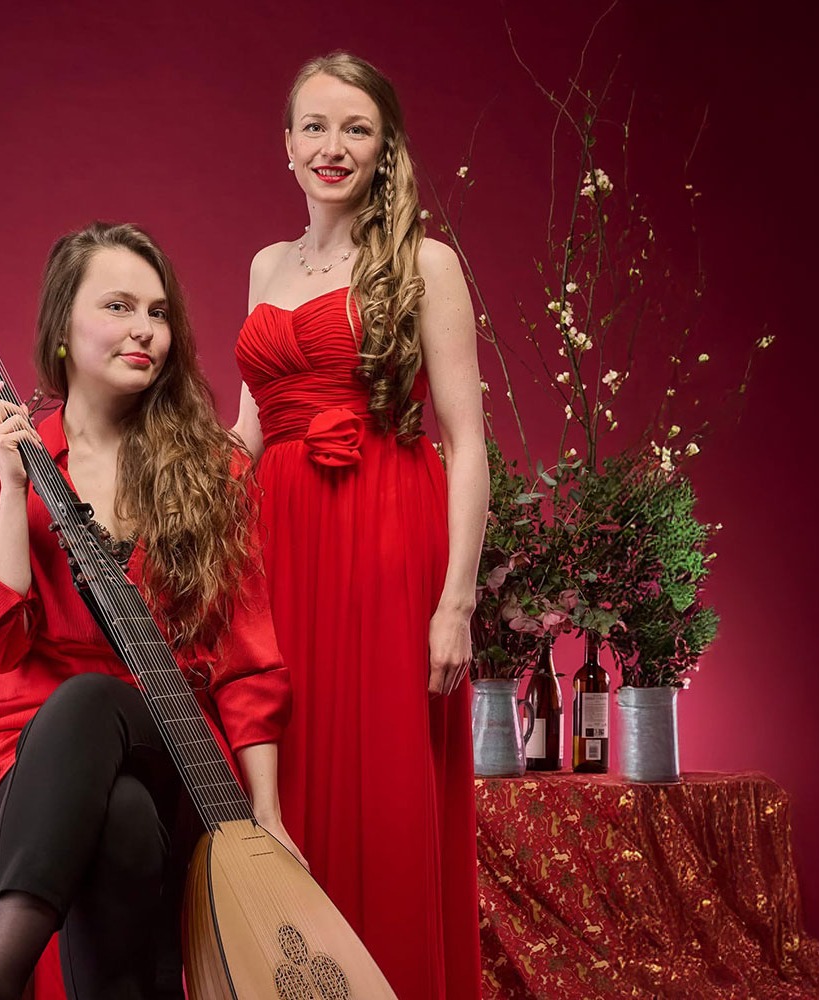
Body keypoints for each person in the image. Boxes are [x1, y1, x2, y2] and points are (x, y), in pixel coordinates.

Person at [0, 221, 297, 1000]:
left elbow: (247, 659)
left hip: (172, 738)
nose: (145, 329)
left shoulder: (214, 468)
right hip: (18, 752)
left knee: (94, 701)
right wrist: (13, 488)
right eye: (118, 306)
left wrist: (267, 817)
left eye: (158, 312)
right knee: (122, 819)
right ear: (62, 330)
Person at [232, 52, 489, 1000]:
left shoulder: (426, 262)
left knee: (383, 780)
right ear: (286, 144)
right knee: (284, 765)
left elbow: (467, 443)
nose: (331, 147)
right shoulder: (265, 265)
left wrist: (455, 603)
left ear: (385, 149)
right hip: (278, 542)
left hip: (386, 533)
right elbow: (248, 433)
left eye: (356, 129)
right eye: (314, 127)